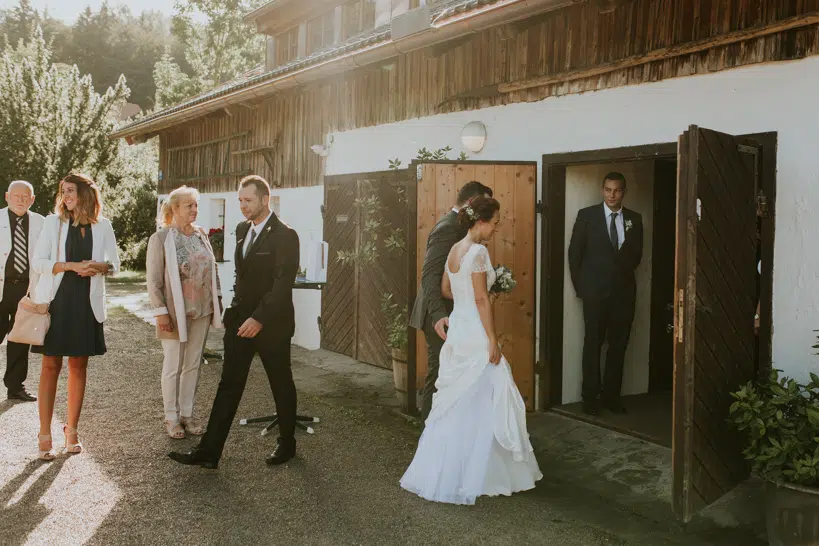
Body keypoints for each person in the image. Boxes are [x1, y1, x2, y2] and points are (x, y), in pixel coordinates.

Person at [400, 196, 542, 505]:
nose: (496, 227)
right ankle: (485, 471)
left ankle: (452, 470)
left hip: (458, 329)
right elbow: (480, 300)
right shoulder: (478, 252)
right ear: (481, 222)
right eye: (495, 222)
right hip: (475, 329)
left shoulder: (454, 250)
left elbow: (445, 290)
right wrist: (492, 336)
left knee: (461, 401)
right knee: (487, 395)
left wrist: (467, 302)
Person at [169, 175, 300, 469]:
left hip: (273, 326)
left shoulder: (285, 235)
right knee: (229, 385)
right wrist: (234, 315)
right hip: (240, 323)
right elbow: (243, 278)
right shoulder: (241, 229)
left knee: (281, 384)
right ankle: (208, 452)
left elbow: (282, 285)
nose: (242, 206)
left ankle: (287, 444)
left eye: (248, 201)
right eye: (239, 200)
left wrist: (259, 318)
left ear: (265, 200)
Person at [32, 173, 120, 460]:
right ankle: (44, 431)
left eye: (71, 191)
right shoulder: (52, 223)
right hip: (58, 300)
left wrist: (98, 266)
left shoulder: (103, 225)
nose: (66, 196)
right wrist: (70, 266)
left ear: (85, 193)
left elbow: (115, 264)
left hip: (86, 302)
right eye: (63, 191)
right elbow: (39, 262)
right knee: (50, 365)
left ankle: (72, 430)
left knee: (79, 366)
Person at [409, 181, 493, 423]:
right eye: (483, 205)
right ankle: (430, 438)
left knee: (451, 375)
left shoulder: (461, 229)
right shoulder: (447, 228)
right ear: (470, 204)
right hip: (440, 315)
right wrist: (437, 316)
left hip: (455, 314)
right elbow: (429, 275)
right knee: (440, 377)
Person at [147, 186, 223, 439]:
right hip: (175, 312)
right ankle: (171, 417)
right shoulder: (161, 238)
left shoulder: (201, 234)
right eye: (189, 205)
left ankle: (187, 415)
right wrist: (160, 313)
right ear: (174, 209)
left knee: (192, 365)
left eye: (196, 205)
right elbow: (154, 280)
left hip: (202, 309)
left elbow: (212, 270)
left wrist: (217, 302)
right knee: (173, 366)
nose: (194, 209)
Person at [568, 172, 643, 416]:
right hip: (594, 294)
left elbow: (636, 256)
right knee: (593, 344)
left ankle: (612, 397)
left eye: (617, 190)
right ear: (602, 190)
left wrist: (618, 277)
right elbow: (574, 254)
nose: (612, 195)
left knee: (619, 346)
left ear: (624, 192)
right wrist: (583, 289)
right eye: (608, 190)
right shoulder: (587, 216)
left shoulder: (635, 219)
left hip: (623, 294)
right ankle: (590, 398)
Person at [1, 180, 45, 402]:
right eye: (16, 195)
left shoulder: (41, 223)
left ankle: (15, 387)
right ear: (7, 196)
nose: (20, 200)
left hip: (27, 290)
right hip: (2, 288)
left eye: (25, 196)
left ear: (32, 199)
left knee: (20, 339)